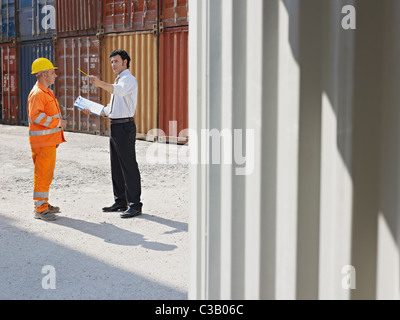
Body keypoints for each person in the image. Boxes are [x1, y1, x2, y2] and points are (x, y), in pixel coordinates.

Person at [84, 49, 143, 219]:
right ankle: (120, 201)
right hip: (115, 126)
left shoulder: (128, 80)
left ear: (125, 62)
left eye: (116, 61)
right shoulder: (117, 82)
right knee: (116, 166)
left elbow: (119, 91)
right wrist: (93, 110)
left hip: (125, 127)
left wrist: (100, 83)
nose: (113, 65)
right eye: (111, 62)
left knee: (128, 165)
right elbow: (110, 110)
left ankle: (135, 204)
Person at [28, 58, 67, 221]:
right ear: (44, 75)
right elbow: (35, 116)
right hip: (43, 143)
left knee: (47, 173)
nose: (55, 75)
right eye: (52, 72)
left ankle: (43, 203)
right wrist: (58, 122)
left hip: (48, 141)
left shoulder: (46, 91)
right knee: (43, 174)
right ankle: (40, 208)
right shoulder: (38, 93)